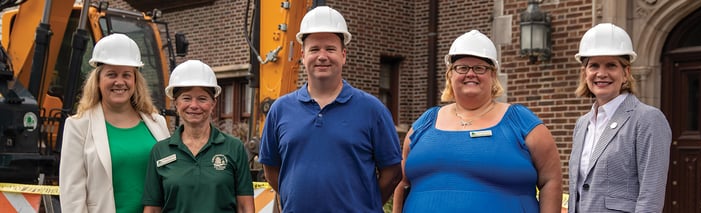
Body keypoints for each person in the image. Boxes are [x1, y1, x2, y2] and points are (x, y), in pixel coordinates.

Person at [391, 30, 562, 213]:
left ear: (493, 75)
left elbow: (551, 180)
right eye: (462, 68)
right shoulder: (425, 123)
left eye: (480, 68)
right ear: (450, 75)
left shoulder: (520, 121)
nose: (470, 74)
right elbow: (402, 183)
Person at [258, 6, 402, 212]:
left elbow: (392, 172)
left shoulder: (372, 110)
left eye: (330, 49)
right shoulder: (280, 109)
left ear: (343, 55)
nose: (322, 56)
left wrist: (365, 204)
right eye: (314, 49)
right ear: (302, 55)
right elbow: (271, 169)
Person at [59, 33, 171, 213]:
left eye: (127, 75)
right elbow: (72, 194)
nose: (120, 82)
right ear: (98, 80)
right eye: (111, 74)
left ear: (135, 80)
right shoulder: (78, 126)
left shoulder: (157, 123)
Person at [568, 23, 671, 213]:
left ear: (626, 73)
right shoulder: (582, 124)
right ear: (585, 73)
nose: (601, 73)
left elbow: (651, 196)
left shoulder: (648, 119)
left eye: (611, 65)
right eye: (594, 66)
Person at [143, 60, 255, 213]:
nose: (194, 105)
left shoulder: (234, 148)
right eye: (186, 98)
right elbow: (153, 209)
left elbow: (245, 207)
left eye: (202, 98)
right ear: (176, 103)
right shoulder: (160, 151)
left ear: (213, 103)